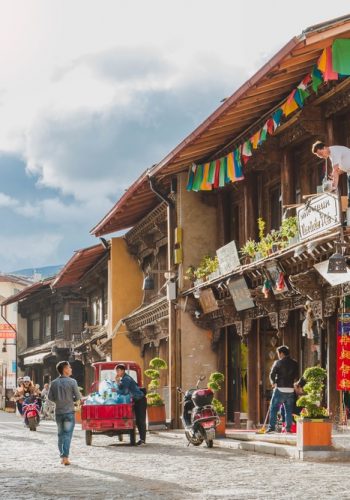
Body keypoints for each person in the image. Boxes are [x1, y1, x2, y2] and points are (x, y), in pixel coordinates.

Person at [48, 361, 81, 465]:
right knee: (67, 435)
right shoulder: (72, 382)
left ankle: (62, 457)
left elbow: (50, 397)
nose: (71, 369)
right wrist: (72, 400)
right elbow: (78, 397)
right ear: (65, 369)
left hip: (58, 413)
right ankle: (65, 457)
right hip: (69, 413)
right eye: (69, 367)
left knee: (60, 435)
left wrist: (59, 401)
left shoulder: (53, 383)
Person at [266, 345, 299, 434]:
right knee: (288, 411)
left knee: (274, 408)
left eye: (278, 353)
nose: (278, 355)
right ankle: (288, 429)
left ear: (281, 353)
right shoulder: (295, 363)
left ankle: (271, 428)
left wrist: (273, 382)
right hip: (290, 389)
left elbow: (272, 374)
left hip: (280, 388)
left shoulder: (278, 363)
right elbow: (296, 375)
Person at [115, 363, 147, 445]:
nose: (117, 372)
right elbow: (121, 388)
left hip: (140, 400)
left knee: (140, 420)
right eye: (116, 371)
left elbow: (124, 391)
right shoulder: (123, 379)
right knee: (136, 420)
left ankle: (142, 440)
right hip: (135, 400)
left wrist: (115, 389)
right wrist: (118, 383)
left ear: (123, 371)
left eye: (118, 370)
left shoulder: (126, 379)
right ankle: (141, 439)